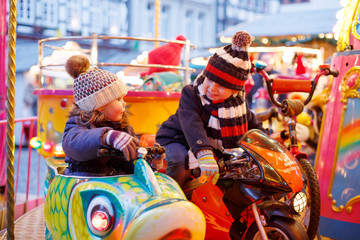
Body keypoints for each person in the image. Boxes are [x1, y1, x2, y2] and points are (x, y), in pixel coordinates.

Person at [156, 31, 265, 189]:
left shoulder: (238, 105)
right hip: (178, 138)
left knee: (235, 170)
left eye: (222, 86)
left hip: (210, 147)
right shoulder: (192, 93)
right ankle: (169, 197)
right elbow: (192, 124)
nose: (212, 88)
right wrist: (204, 153)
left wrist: (267, 143)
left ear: (234, 90)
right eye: (210, 80)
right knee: (181, 163)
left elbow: (252, 125)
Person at [62, 55, 140, 176]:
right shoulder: (78, 124)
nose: (124, 103)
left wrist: (150, 162)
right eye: (119, 99)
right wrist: (106, 136)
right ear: (99, 105)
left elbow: (130, 162)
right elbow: (75, 144)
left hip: (113, 185)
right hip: (85, 183)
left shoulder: (124, 129)